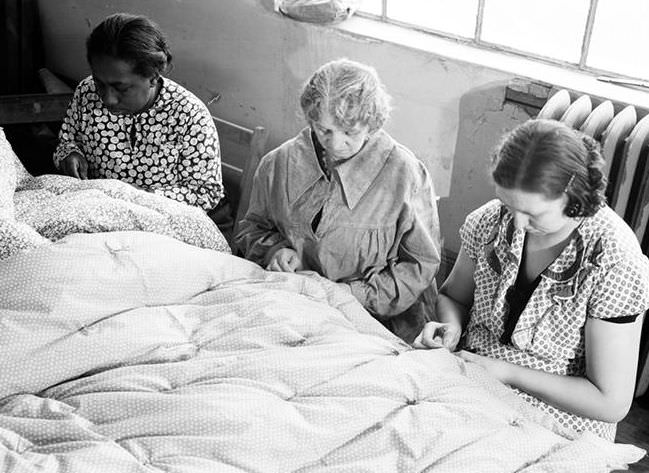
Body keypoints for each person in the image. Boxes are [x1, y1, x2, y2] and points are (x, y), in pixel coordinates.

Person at [414, 118, 649, 440]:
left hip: (557, 417)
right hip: (473, 381)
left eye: (533, 214)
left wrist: (507, 373)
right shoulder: (489, 221)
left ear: (575, 197)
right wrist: (451, 326)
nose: (517, 224)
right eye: (510, 206)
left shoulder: (614, 259)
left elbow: (610, 402)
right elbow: (454, 297)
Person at [235, 58, 441, 341]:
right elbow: (251, 228)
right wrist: (275, 251)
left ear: (372, 124)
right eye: (324, 130)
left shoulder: (404, 173)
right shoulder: (279, 163)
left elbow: (421, 265)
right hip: (292, 308)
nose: (335, 144)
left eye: (350, 133)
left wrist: (351, 294)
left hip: (375, 321)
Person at [53, 13, 227, 221]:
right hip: (99, 211)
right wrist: (69, 154)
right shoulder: (87, 92)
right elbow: (67, 141)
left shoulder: (189, 117)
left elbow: (206, 193)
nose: (108, 99)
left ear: (153, 77)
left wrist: (141, 197)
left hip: (160, 220)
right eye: (100, 83)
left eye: (121, 88)